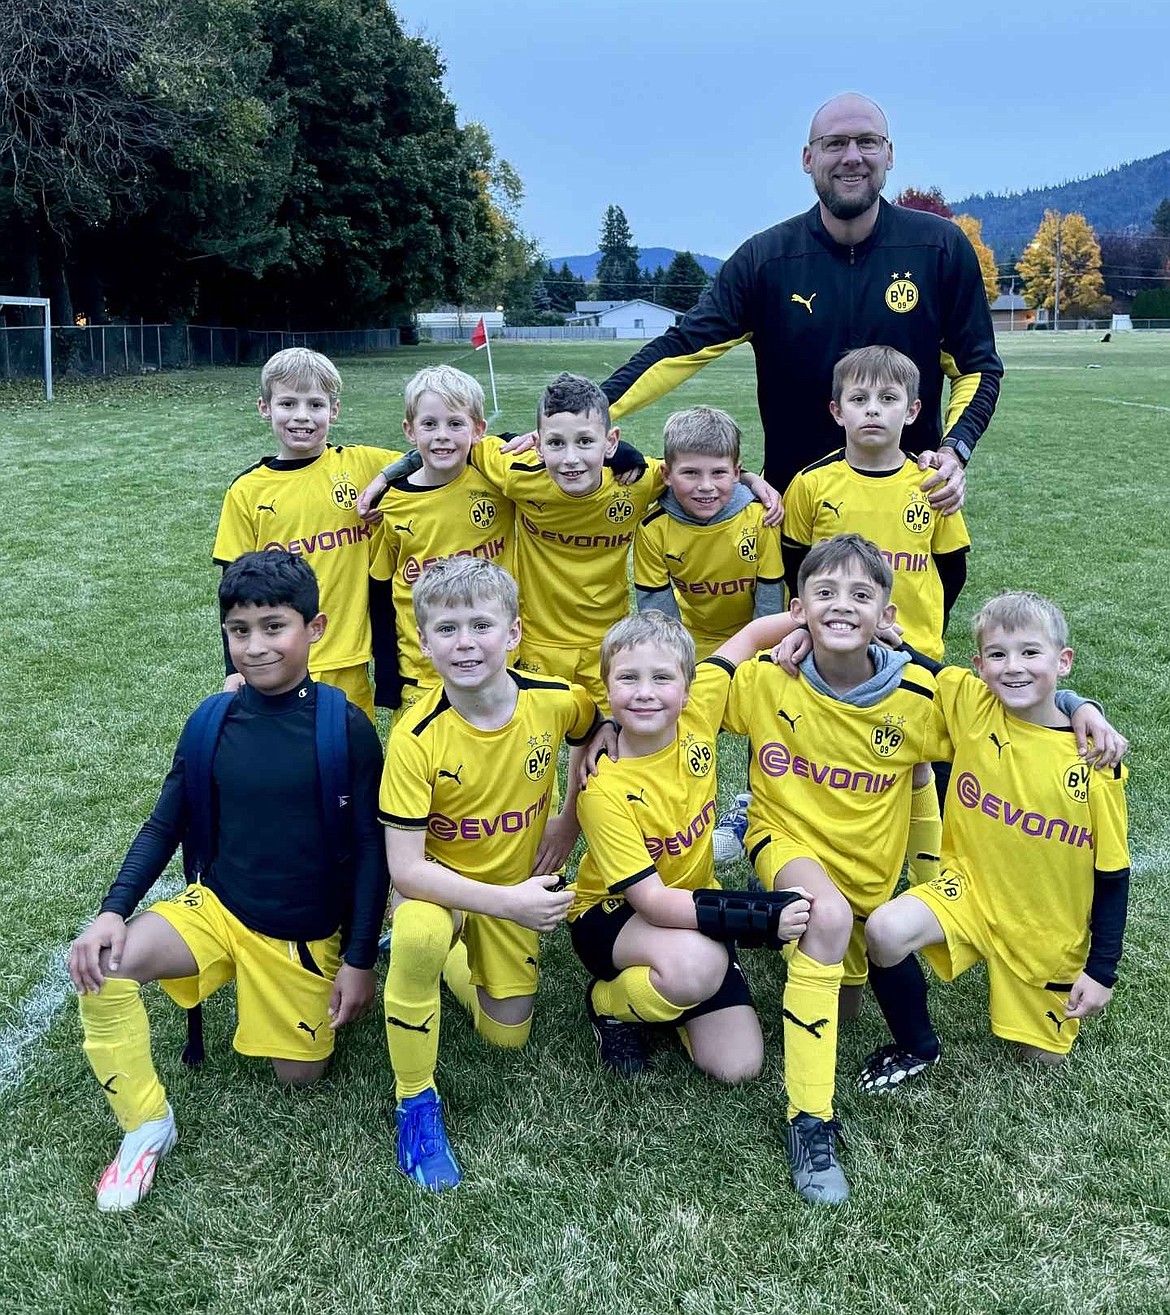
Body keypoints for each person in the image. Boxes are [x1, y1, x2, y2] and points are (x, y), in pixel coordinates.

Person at [68, 552, 387, 1211]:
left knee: (299, 1079)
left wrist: (357, 960)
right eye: (239, 629)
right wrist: (111, 909)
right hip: (219, 904)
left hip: (300, 926)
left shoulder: (344, 726)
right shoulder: (211, 719)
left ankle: (305, 983)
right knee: (105, 962)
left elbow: (369, 851)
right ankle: (146, 1123)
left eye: (274, 626)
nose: (256, 644)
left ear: (315, 627)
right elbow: (165, 821)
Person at [600, 92, 1003, 511]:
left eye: (867, 142)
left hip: (911, 506)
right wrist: (587, 416)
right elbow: (681, 347)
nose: (852, 156)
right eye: (835, 143)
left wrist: (955, 449)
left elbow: (976, 367)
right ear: (808, 158)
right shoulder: (766, 259)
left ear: (889, 154)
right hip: (796, 511)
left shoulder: (938, 247)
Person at [379, 557, 599, 1192]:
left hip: (515, 886)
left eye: (481, 624)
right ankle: (415, 1104)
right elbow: (407, 870)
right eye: (447, 629)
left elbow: (595, 734)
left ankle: (456, 963)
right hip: (442, 889)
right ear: (425, 643)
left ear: (514, 633)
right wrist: (506, 903)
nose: (465, 642)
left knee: (507, 1038)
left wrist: (566, 821)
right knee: (420, 934)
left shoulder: (555, 700)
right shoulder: (415, 737)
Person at [862, 592, 1130, 1083]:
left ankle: (1040, 991)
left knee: (1041, 1060)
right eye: (998, 655)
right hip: (969, 891)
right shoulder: (972, 704)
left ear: (1063, 661)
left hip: (1043, 929)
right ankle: (918, 1048)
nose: (1013, 668)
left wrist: (1102, 970)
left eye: (1031, 653)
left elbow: (1112, 873)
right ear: (979, 665)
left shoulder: (1093, 761)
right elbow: (914, 660)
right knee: (883, 931)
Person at [570, 610, 807, 1084]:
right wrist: (759, 917)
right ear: (607, 688)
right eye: (627, 678)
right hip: (613, 915)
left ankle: (683, 985)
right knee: (698, 966)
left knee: (737, 1067)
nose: (644, 692)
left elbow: (753, 632)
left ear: (686, 688)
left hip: (694, 900)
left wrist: (806, 626)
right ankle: (611, 1004)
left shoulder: (699, 713)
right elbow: (653, 902)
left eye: (662, 677)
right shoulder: (602, 788)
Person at [779, 344, 972, 890]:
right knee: (835, 755)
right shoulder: (811, 485)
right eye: (858, 398)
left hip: (915, 648)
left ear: (912, 410)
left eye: (887, 399)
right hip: (833, 652)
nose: (872, 410)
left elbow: (951, 568)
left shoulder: (931, 485)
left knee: (924, 757)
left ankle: (928, 869)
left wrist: (919, 626)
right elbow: (794, 566)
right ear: (837, 410)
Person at [213, 347, 399, 721]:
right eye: (287, 403)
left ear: (335, 410)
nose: (302, 416)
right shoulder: (247, 491)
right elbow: (232, 590)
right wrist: (233, 669)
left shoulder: (361, 465)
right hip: (277, 659)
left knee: (345, 757)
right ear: (265, 407)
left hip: (349, 658)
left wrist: (524, 441)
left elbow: (436, 452)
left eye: (315, 404)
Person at [370, 364, 515, 720]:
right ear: (410, 430)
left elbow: (551, 444)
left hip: (495, 663)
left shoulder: (499, 484)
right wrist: (388, 673)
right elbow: (380, 589)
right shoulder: (391, 503)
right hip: (421, 673)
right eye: (429, 424)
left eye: (455, 424)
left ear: (479, 429)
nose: (442, 436)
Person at [633, 406, 784, 658]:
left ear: (737, 473)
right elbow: (657, 609)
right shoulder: (653, 529)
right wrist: (674, 657)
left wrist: (762, 658)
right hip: (695, 637)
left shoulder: (760, 518)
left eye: (718, 473)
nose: (705, 486)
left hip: (757, 634)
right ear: (667, 475)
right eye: (691, 473)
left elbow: (770, 597)